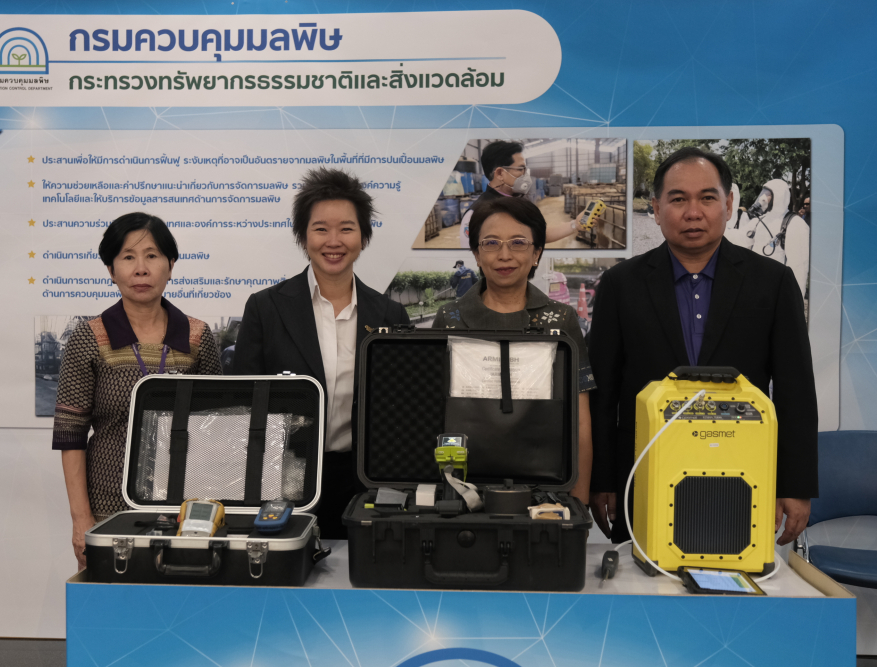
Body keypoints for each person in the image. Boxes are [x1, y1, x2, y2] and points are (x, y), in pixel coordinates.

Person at [588, 147, 817, 547]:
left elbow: (795, 391)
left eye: (707, 198)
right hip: (644, 471)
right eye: (678, 199)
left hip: (742, 472)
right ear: (656, 209)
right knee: (642, 578)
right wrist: (602, 478)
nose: (693, 212)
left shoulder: (773, 283)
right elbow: (602, 393)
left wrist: (795, 484)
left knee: (732, 573)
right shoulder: (621, 285)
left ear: (728, 206)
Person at [232, 168, 410, 539]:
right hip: (281, 480)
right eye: (320, 229)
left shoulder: (390, 315)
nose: (334, 241)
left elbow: (401, 413)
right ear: (303, 236)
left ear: (363, 236)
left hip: (362, 482)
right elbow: (242, 404)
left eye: (346, 228)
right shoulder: (266, 308)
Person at [53, 212, 222, 570]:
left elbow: (218, 430)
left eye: (152, 255)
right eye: (128, 257)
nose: (141, 269)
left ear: (170, 265)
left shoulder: (197, 337)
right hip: (107, 509)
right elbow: (71, 435)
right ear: (111, 270)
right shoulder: (89, 338)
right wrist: (81, 520)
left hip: (187, 509)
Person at [432, 196, 596, 504]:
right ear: (476, 254)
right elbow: (434, 412)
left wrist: (579, 499)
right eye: (491, 243)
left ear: (536, 253)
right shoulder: (449, 318)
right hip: (461, 487)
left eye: (518, 243)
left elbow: (580, 420)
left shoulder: (561, 319)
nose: (504, 255)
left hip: (546, 489)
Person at [458, 140, 589, 245]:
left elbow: (537, 235)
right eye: (520, 169)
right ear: (500, 173)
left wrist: (575, 225)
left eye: (525, 170)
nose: (525, 175)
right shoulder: (475, 216)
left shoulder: (519, 201)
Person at [746, 178, 810, 297]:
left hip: (775, 292)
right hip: (753, 287)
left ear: (779, 196)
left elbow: (798, 270)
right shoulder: (758, 221)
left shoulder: (796, 224)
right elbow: (738, 240)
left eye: (768, 194)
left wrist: (793, 303)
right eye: (763, 192)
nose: (763, 198)